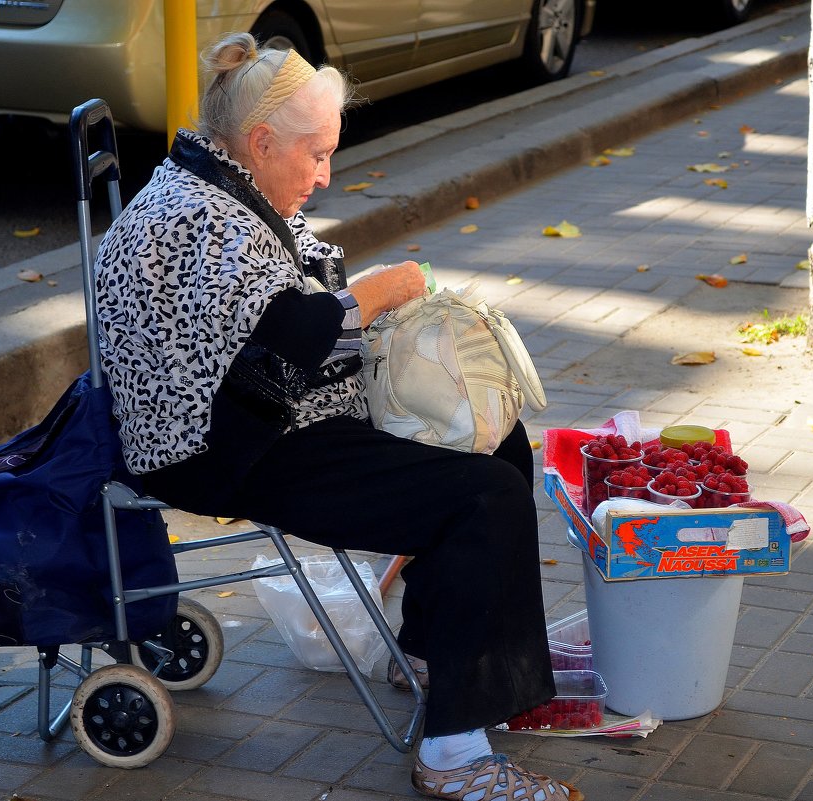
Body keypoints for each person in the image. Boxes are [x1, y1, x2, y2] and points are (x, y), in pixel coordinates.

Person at [94, 32, 582, 801]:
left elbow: (290, 300)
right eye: (315, 155)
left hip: (261, 417)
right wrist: (388, 287)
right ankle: (453, 755)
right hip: (222, 448)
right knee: (478, 496)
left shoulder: (215, 178)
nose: (324, 175)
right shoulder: (197, 213)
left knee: (497, 444)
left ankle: (432, 654)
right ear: (259, 140)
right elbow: (295, 329)